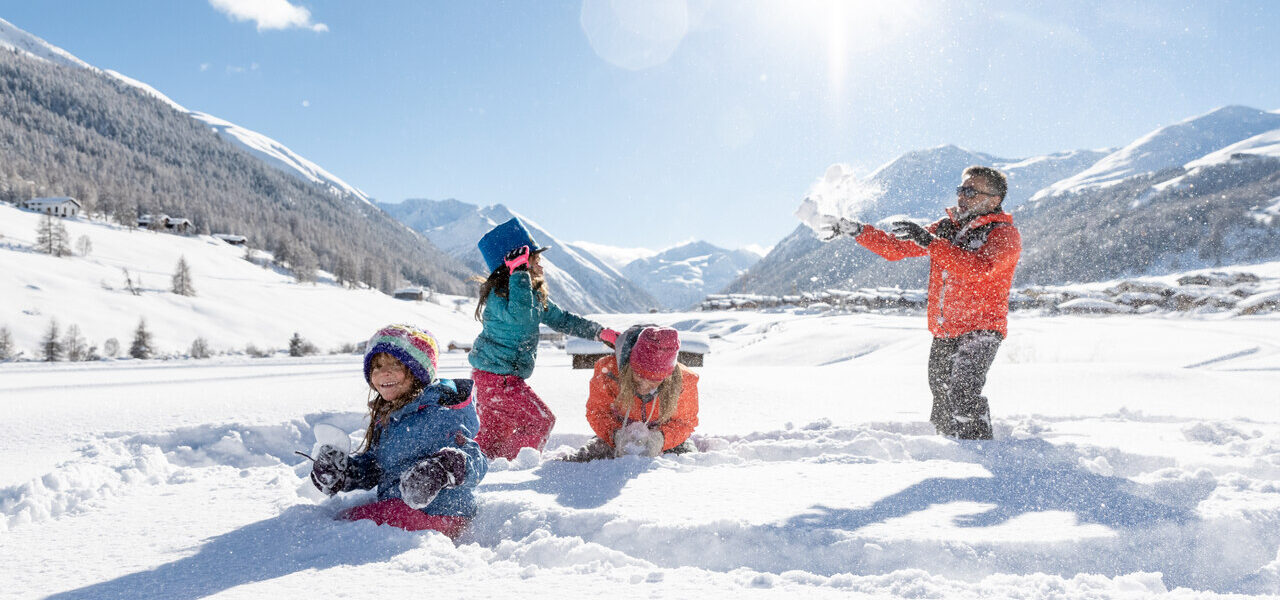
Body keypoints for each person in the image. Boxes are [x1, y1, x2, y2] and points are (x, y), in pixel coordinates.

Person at [815, 165, 1021, 440]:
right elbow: (895, 248)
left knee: (962, 395)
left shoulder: (1004, 235)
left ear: (994, 200)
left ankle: (981, 452)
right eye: (961, 190)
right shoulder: (947, 228)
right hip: (946, 329)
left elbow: (978, 269)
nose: (962, 196)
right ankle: (948, 453)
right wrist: (854, 230)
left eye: (971, 192)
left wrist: (931, 243)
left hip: (982, 328)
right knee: (941, 399)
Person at [308, 324, 487, 538]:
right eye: (376, 366)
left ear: (418, 371)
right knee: (340, 523)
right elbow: (375, 467)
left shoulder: (440, 412)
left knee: (337, 529)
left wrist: (441, 469)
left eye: (395, 364)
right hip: (402, 510)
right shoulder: (389, 418)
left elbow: (477, 459)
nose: (384, 373)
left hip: (440, 512)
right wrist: (343, 474)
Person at [469, 217, 620, 460]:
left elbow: (564, 320)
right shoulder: (499, 297)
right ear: (514, 262)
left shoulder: (533, 295)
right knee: (540, 420)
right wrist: (519, 274)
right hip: (498, 380)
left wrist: (600, 332)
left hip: (495, 379)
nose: (541, 264)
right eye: (535, 259)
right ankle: (514, 470)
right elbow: (520, 316)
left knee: (494, 435)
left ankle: (482, 466)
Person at [562, 325, 699, 462]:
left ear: (667, 377)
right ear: (630, 367)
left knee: (690, 462)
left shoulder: (684, 382)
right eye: (638, 378)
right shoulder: (608, 372)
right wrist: (615, 435)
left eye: (653, 382)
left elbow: (684, 422)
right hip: (618, 434)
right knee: (580, 460)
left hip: (665, 438)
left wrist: (661, 439)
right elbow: (597, 412)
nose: (644, 387)